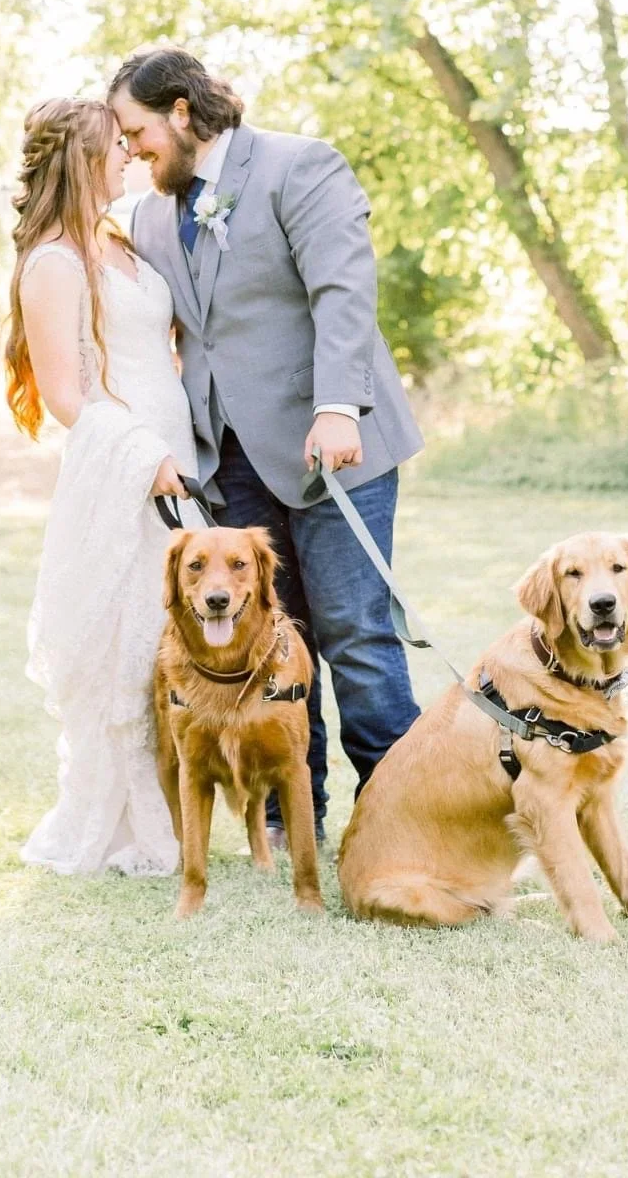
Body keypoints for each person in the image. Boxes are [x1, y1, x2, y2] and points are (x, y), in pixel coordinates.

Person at [109, 45, 423, 841]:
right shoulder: (150, 216)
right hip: (229, 462)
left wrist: (339, 406)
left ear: (182, 110)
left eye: (137, 131)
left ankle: (407, 814)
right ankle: (291, 818)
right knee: (272, 639)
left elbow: (343, 291)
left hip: (332, 445)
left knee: (354, 632)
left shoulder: (300, 166)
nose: (131, 150)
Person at [4, 96, 193, 876]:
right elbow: (65, 396)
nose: (130, 155)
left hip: (176, 461)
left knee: (170, 641)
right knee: (127, 647)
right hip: (125, 469)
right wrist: (142, 456)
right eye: (117, 145)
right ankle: (127, 825)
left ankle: (183, 808)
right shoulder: (52, 262)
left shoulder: (117, 239)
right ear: (84, 159)